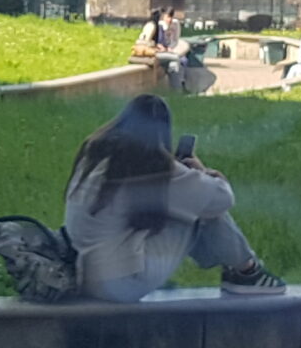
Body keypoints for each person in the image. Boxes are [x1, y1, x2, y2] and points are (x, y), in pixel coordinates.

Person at [62, 93, 283, 301]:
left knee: (185, 204)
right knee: (201, 209)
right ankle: (247, 272)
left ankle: (241, 270)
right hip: (120, 284)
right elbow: (221, 199)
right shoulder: (153, 167)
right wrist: (202, 172)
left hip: (85, 276)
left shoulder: (94, 154)